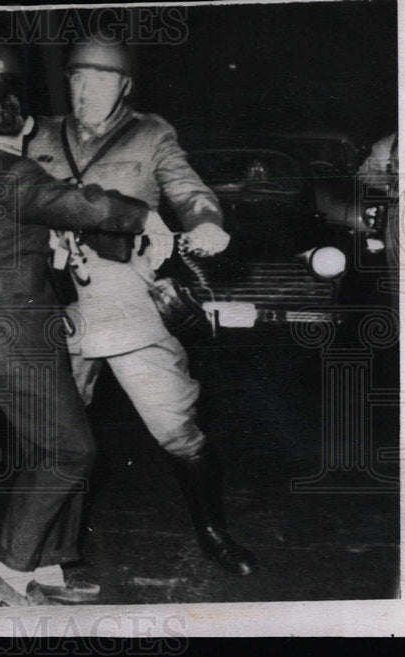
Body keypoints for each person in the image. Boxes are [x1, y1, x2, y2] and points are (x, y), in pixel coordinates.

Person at [27, 36, 258, 576]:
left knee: (174, 424)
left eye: (101, 80)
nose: (87, 90)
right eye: (78, 78)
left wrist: (206, 223)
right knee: (56, 433)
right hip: (58, 300)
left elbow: (188, 189)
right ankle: (43, 551)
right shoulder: (38, 133)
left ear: (123, 86)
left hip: (127, 297)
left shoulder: (151, 134)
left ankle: (213, 532)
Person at [0, 47, 148, 605]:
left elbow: (12, 235)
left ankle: (51, 567)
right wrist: (146, 216)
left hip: (4, 330)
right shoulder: (16, 170)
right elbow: (87, 206)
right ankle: (9, 572)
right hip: (17, 336)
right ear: (30, 127)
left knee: (51, 444)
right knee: (70, 451)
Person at [357, 132, 399, 272]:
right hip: (398, 210)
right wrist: (390, 181)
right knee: (397, 267)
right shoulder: (388, 144)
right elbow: (364, 173)